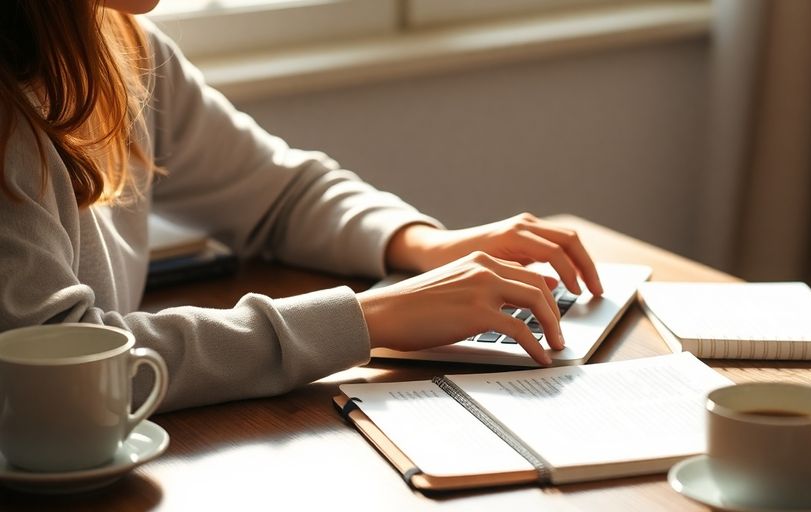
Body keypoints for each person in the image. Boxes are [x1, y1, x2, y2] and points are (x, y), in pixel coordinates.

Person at [0, 0, 603, 412]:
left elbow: (279, 193)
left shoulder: (114, 46)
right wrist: (366, 320)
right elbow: (69, 367)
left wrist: (423, 245)